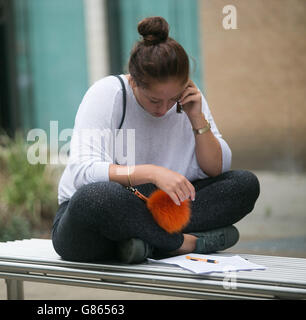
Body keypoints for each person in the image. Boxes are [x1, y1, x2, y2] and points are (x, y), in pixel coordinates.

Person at [51, 16, 260, 264]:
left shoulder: (190, 100)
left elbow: (216, 168)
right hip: (96, 223)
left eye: (172, 100)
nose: (163, 109)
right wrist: (152, 173)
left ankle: (143, 243)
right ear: (134, 81)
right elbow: (82, 171)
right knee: (95, 197)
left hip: (164, 209)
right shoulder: (109, 94)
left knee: (244, 184)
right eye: (154, 100)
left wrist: (196, 118)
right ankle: (182, 244)